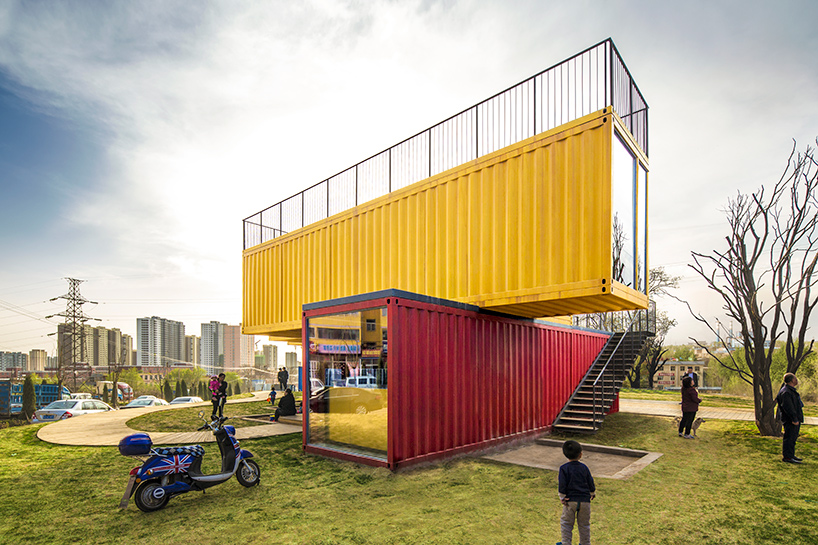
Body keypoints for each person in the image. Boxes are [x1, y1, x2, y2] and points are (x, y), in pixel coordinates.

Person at [558, 440, 595, 545]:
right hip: (584, 500)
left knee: (566, 523)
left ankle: (566, 543)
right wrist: (592, 492)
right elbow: (590, 481)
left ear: (565, 454)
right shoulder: (584, 468)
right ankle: (585, 543)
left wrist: (562, 497)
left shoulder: (564, 468)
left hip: (570, 501)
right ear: (580, 454)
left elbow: (562, 485)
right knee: (584, 525)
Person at [776, 373, 804, 464]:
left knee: (793, 438)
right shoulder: (786, 392)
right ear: (792, 380)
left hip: (794, 419)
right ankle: (787, 457)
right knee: (789, 438)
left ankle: (791, 455)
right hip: (790, 420)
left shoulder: (790, 390)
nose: (797, 380)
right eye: (795, 378)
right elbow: (788, 407)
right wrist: (794, 419)